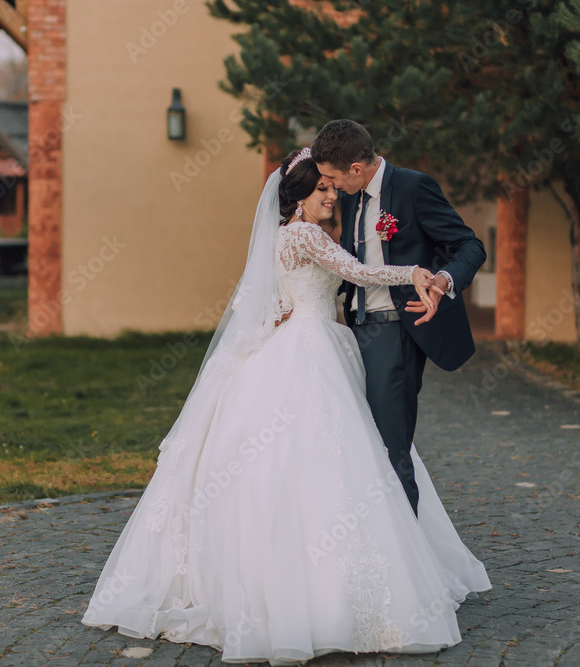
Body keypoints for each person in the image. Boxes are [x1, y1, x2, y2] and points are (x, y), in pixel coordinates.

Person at [81, 148, 491, 665]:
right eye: (319, 188)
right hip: (312, 350)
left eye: (330, 186)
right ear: (296, 196)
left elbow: (279, 302)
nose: (330, 195)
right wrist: (414, 272)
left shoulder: (288, 239)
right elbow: (358, 274)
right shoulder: (303, 235)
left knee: (347, 457)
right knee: (329, 462)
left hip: (316, 339)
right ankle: (333, 593)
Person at [311, 120, 487, 517]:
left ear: (357, 168)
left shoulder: (412, 187)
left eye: (333, 178)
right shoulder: (353, 196)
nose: (331, 187)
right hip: (354, 332)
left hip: (396, 329)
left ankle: (407, 553)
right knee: (360, 440)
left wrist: (443, 281)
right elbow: (355, 263)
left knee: (391, 444)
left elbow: (469, 245)